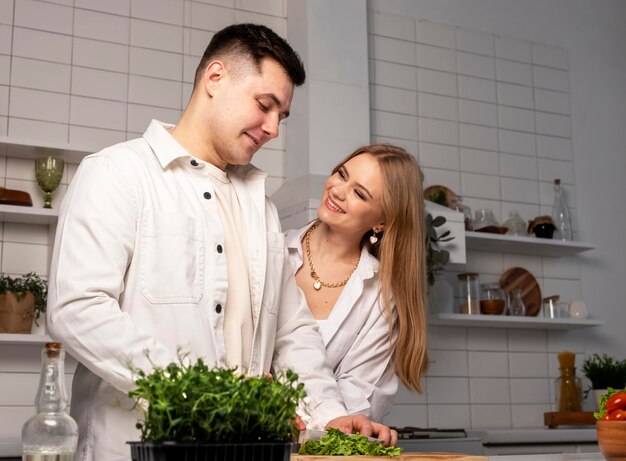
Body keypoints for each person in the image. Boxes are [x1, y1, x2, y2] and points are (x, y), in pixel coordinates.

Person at [46, 24, 395, 461]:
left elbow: (292, 332)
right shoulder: (118, 174)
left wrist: (329, 414)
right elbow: (77, 308)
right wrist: (202, 394)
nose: (273, 129)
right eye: (265, 106)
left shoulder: (260, 210)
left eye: (281, 116)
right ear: (215, 78)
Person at [285, 144, 429, 421]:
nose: (338, 191)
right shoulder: (272, 251)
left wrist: (291, 414)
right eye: (341, 174)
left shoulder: (381, 297)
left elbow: (359, 400)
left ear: (382, 221)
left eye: (359, 193)